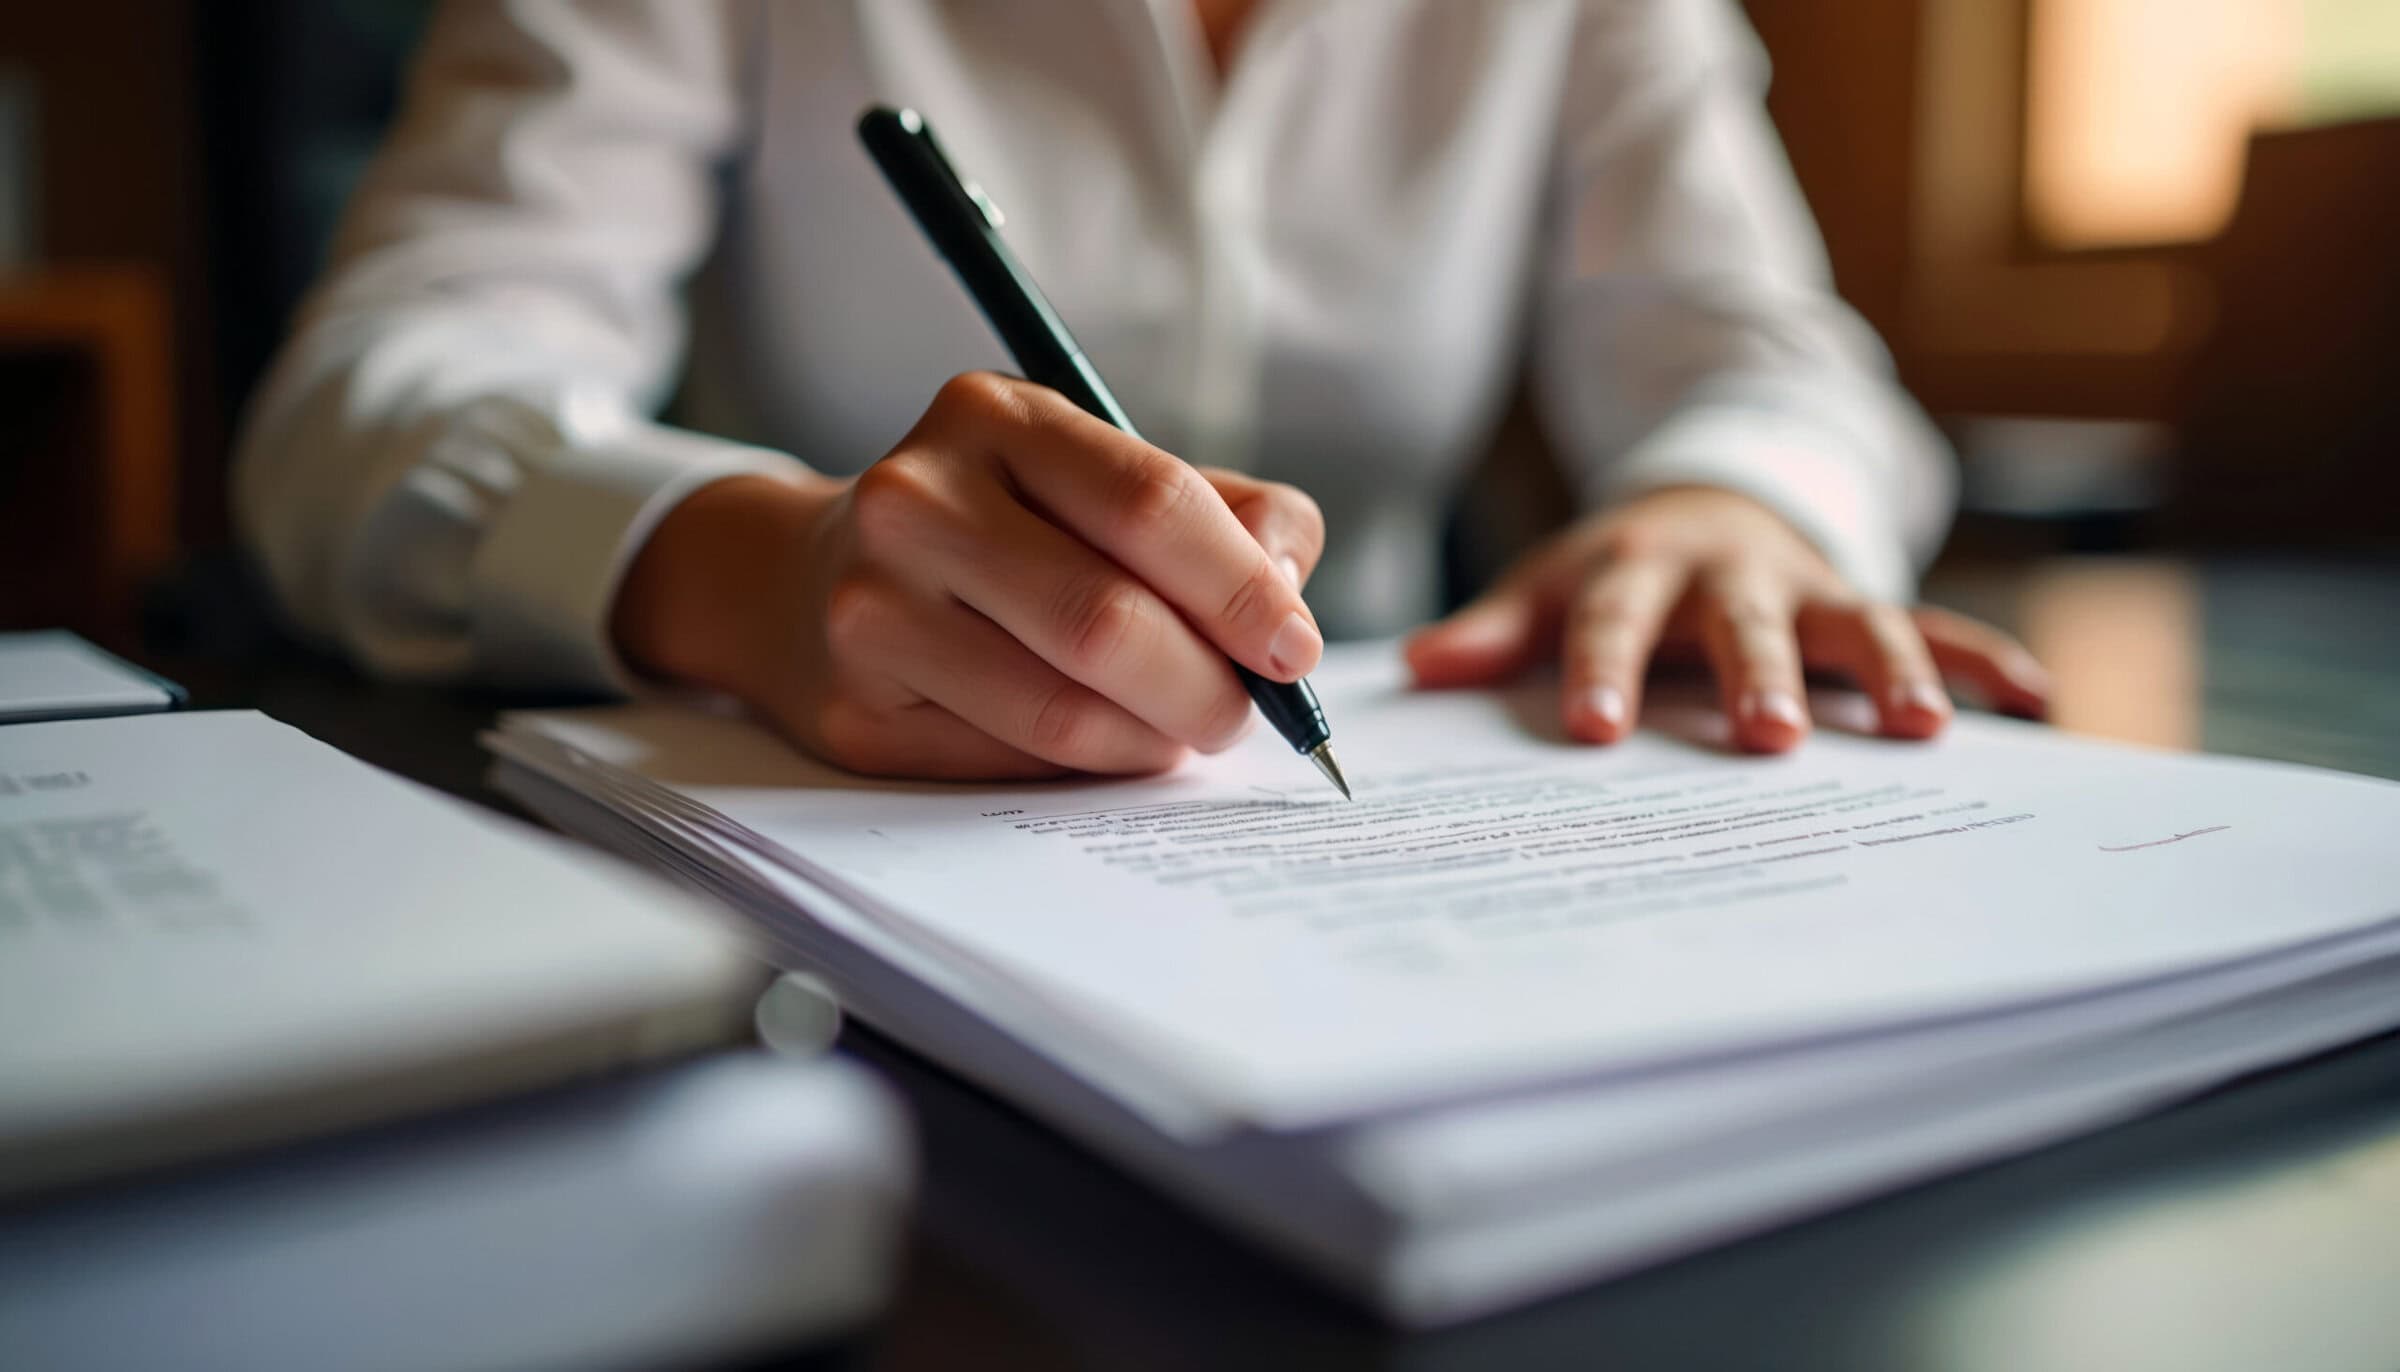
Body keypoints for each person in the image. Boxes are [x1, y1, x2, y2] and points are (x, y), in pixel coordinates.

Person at [237, 0, 2048, 781]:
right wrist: (749, 571)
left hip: (1427, 820)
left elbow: (1772, 356)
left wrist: (1732, 502)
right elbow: (364, 402)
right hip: (827, 832)